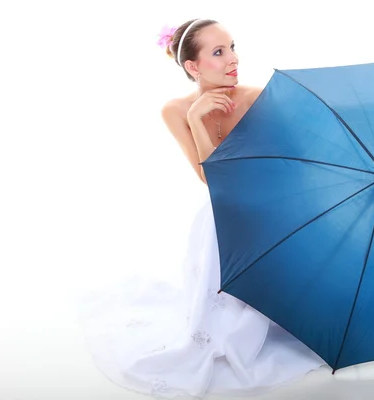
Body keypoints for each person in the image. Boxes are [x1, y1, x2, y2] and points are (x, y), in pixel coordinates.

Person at [77, 19, 326, 399]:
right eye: (218, 52)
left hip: (274, 207)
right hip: (223, 211)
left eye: (232, 47)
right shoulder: (175, 110)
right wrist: (197, 119)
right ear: (193, 67)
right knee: (215, 227)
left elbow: (288, 168)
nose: (233, 59)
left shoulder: (258, 98)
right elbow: (212, 182)